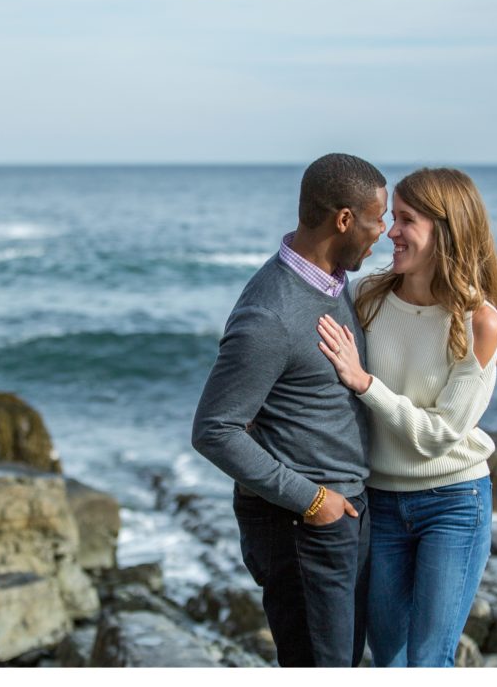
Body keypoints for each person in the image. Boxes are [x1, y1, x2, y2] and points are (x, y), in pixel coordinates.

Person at [191, 153, 387, 667]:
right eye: (376, 219)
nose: (383, 232)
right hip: (304, 523)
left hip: (345, 512)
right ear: (343, 220)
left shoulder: (337, 285)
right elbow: (215, 430)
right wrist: (311, 500)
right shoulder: (269, 313)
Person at [315, 167, 497, 667]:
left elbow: (440, 435)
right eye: (392, 218)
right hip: (380, 502)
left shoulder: (478, 321)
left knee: (427, 661)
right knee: (387, 657)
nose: (389, 232)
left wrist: (366, 383)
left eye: (405, 220)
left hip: (454, 503)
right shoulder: (367, 298)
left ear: (443, 231)